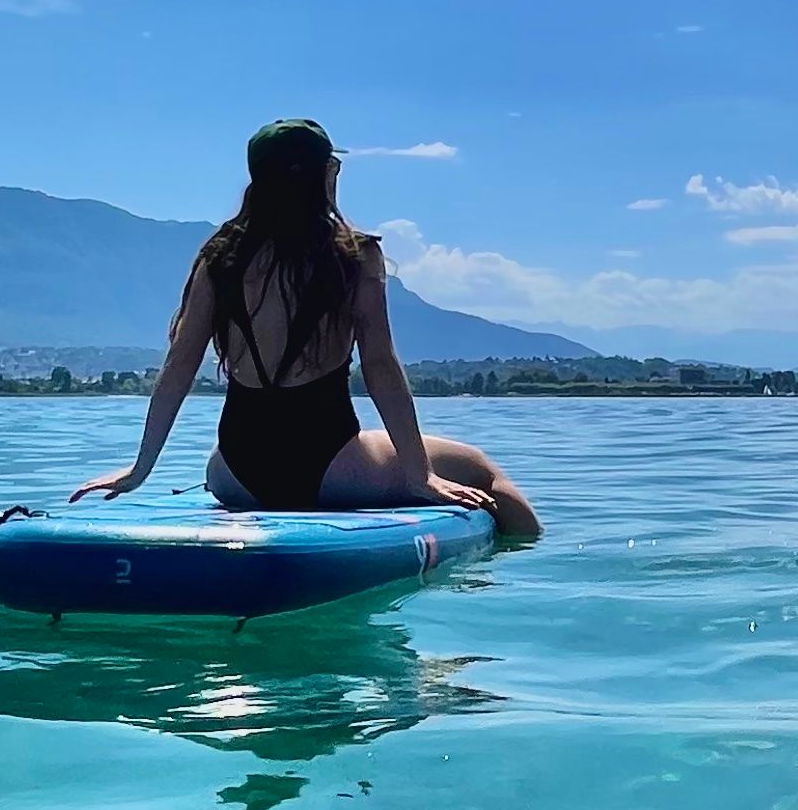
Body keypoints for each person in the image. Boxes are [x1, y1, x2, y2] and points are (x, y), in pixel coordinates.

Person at [74, 118, 541, 541]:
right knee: (478, 469)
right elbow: (379, 365)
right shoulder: (354, 255)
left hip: (235, 475)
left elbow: (179, 364)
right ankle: (526, 564)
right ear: (325, 173)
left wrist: (140, 469)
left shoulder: (222, 255)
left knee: (231, 449)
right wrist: (421, 476)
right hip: (334, 468)